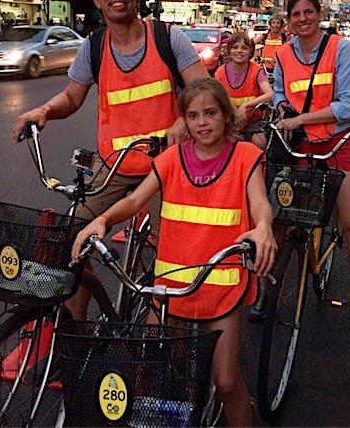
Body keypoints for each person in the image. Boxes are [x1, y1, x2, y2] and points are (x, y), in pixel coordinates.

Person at [72, 77, 277, 427]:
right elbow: (135, 200)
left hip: (221, 286)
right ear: (184, 119)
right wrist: (103, 220)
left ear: (227, 116)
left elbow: (259, 202)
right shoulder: (171, 158)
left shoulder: (246, 157)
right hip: (170, 287)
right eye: (194, 115)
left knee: (226, 381)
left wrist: (263, 227)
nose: (202, 123)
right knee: (159, 371)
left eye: (211, 113)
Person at [13, 0, 208, 318]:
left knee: (177, 256)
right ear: (98, 0)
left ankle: (172, 333)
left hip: (166, 166)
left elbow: (203, 86)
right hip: (114, 167)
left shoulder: (168, 37)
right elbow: (72, 96)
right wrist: (44, 111)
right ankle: (77, 332)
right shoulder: (95, 46)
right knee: (71, 242)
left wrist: (184, 118)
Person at [272, 0, 350, 347]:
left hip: (342, 143)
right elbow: (278, 92)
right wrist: (282, 109)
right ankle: (264, 290)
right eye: (295, 14)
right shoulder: (283, 54)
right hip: (301, 146)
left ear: (319, 13)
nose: (302, 19)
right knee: (282, 220)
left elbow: (349, 106)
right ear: (288, 21)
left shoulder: (342, 50)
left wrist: (300, 117)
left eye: (308, 12)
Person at [214, 31, 273, 145]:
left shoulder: (256, 71)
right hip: (228, 121)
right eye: (235, 47)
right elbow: (216, 97)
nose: (239, 51)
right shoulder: (220, 72)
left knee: (260, 142)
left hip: (252, 121)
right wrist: (233, 113)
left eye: (244, 48)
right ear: (229, 50)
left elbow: (270, 94)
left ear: (251, 51)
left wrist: (245, 106)